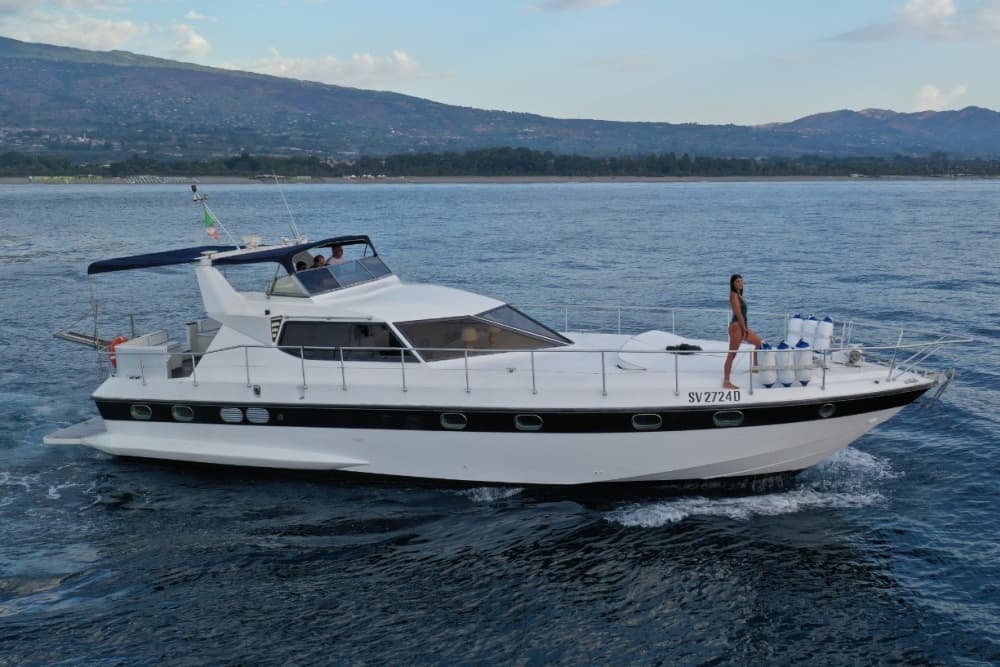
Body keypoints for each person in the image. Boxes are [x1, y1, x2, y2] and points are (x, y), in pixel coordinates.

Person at [723, 273, 762, 389]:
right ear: (733, 284)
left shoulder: (740, 295)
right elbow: (738, 314)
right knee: (732, 354)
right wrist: (744, 328)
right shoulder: (733, 295)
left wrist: (745, 327)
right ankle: (726, 382)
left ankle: (755, 368)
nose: (740, 283)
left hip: (742, 326)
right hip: (736, 327)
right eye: (737, 281)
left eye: (741, 281)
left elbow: (744, 315)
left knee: (759, 343)